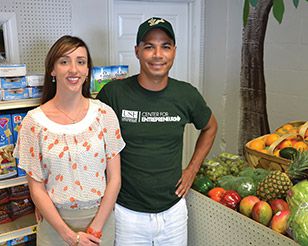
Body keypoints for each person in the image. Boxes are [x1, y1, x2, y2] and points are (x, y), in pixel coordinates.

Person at [97, 17, 218, 245]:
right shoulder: (114, 94)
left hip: (173, 212)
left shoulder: (186, 95)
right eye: (149, 46)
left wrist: (192, 169)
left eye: (165, 46)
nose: (158, 54)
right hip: (126, 213)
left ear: (174, 51)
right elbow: (91, 142)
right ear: (137, 51)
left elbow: (210, 126)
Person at [13, 35, 125, 246]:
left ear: (87, 70)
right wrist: (69, 236)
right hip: (56, 225)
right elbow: (36, 188)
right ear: (52, 70)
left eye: (80, 62)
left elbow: (115, 178)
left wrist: (96, 229)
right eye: (64, 61)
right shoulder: (33, 123)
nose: (74, 69)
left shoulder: (104, 114)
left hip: (100, 222)